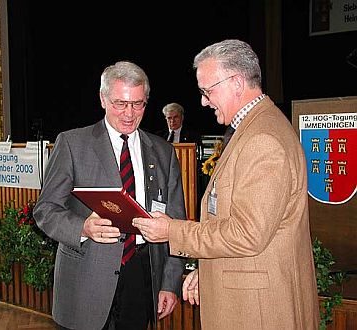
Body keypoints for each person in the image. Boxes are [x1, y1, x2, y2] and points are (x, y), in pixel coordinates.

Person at [133, 39, 320, 329]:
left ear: (236, 82)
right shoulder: (255, 128)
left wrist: (172, 230)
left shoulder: (262, 140)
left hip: (258, 311)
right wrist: (207, 271)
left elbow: (247, 234)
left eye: (207, 91)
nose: (203, 102)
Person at [33, 60, 187, 330]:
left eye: (137, 104)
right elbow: (45, 210)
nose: (129, 113)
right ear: (103, 99)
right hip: (85, 281)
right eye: (120, 103)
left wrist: (170, 284)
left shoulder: (164, 152)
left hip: (141, 279)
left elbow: (176, 222)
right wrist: (82, 227)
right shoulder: (72, 144)